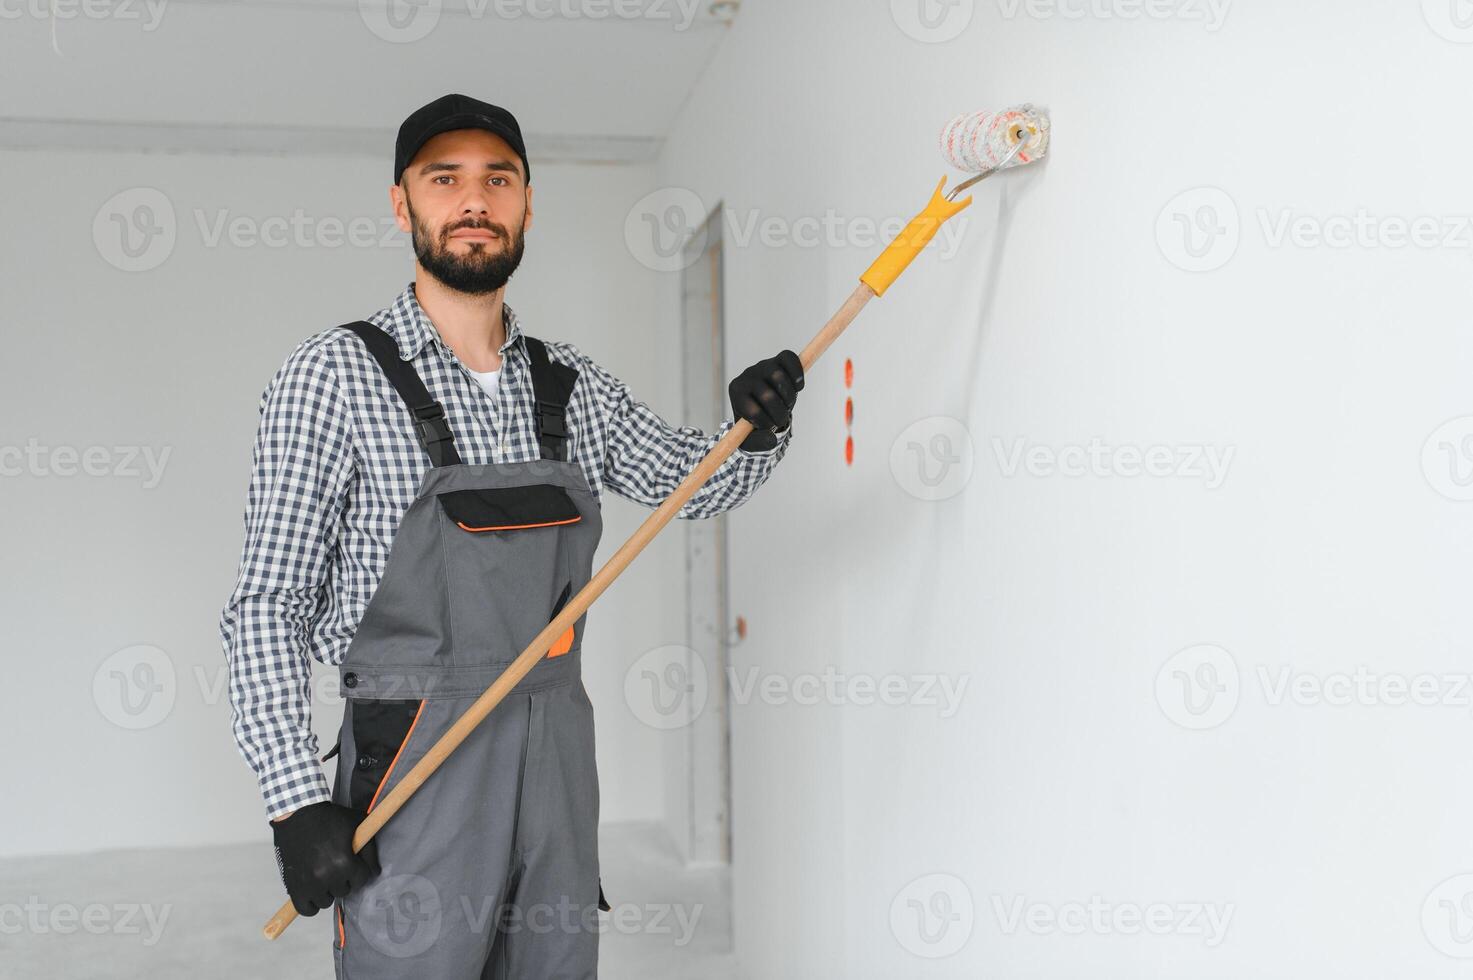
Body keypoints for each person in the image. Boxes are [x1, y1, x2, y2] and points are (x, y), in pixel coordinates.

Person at [217, 93, 802, 979]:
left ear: (528, 203)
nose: (474, 201)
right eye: (443, 179)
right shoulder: (330, 377)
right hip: (413, 755)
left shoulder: (569, 386)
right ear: (401, 203)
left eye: (498, 179)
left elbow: (690, 483)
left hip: (555, 748)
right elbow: (268, 604)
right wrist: (294, 802)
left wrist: (757, 428)